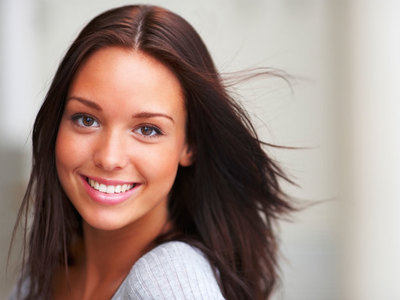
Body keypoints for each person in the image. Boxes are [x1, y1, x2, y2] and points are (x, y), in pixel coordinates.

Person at [9, 4, 294, 300]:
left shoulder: (168, 277)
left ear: (189, 144)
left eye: (147, 129)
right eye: (86, 120)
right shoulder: (42, 274)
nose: (109, 157)